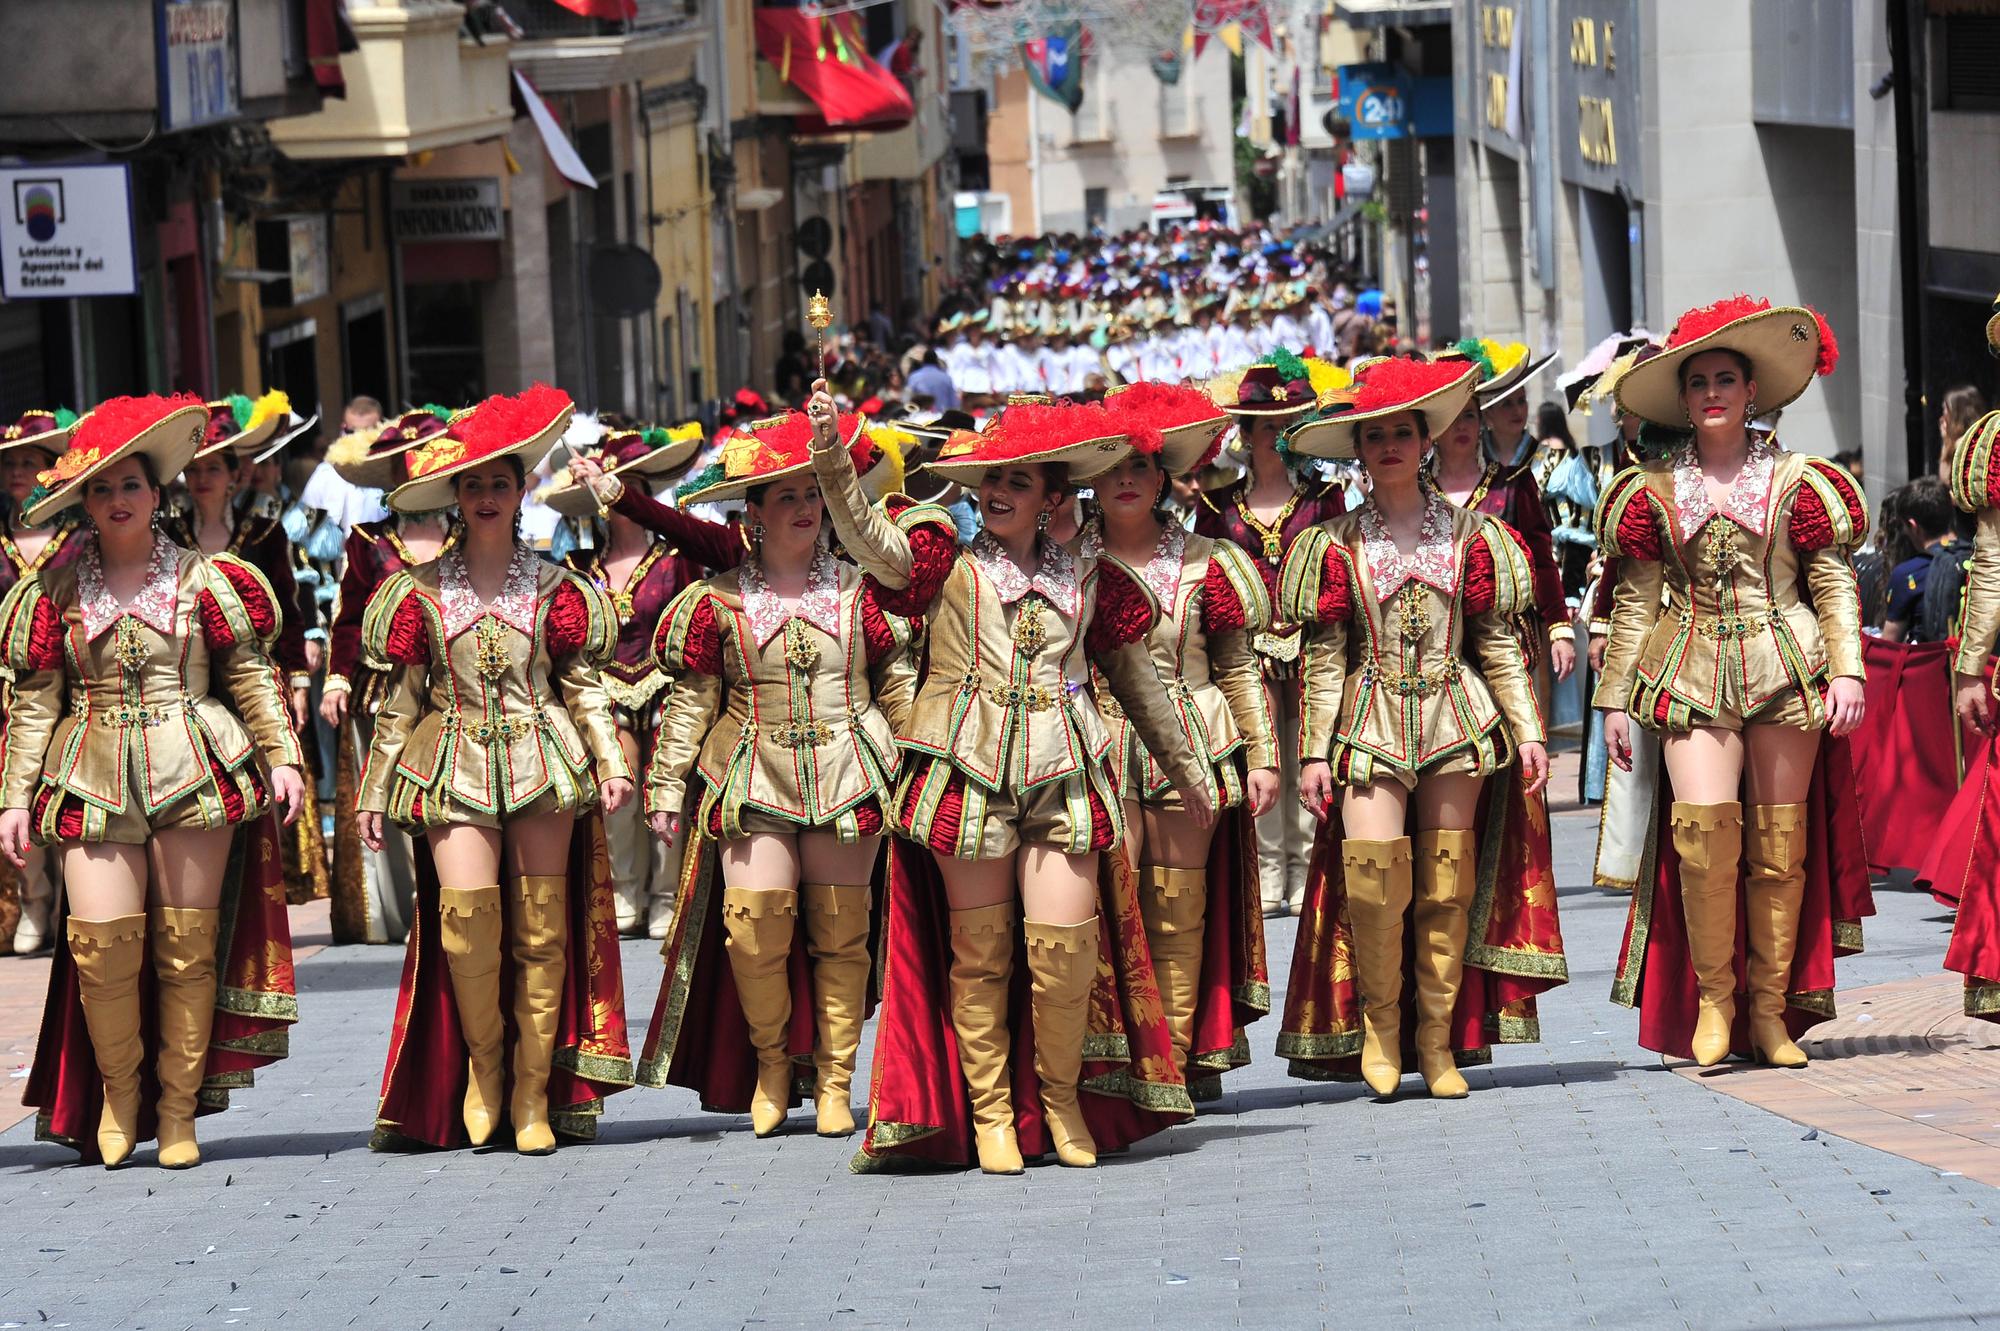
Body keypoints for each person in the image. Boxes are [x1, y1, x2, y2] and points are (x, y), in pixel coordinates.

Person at [820, 395, 1212, 1174]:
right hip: (967, 773)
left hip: (1064, 770)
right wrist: (832, 454)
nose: (997, 491)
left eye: (1018, 480)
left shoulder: (1093, 578)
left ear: (1055, 497)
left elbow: (1139, 684)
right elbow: (865, 535)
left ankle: (1061, 1101)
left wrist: (1189, 769)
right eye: (989, 479)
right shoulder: (941, 562)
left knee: (1066, 951)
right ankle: (994, 1113)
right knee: (981, 957)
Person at [0, 394, 307, 1167]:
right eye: (100, 489)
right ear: (83, 501)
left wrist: (283, 755)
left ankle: (176, 1110)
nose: (115, 500)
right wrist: (12, 795)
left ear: (155, 492)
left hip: (193, 762)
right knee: (101, 950)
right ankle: (118, 1093)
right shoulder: (57, 593)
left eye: (128, 485)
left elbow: (248, 671)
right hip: (90, 770)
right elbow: (35, 701)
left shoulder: (207, 578)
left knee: (185, 950)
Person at [631, 407, 927, 1139]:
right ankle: (770, 1063)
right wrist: (666, 785)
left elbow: (898, 679)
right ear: (753, 514)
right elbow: (693, 698)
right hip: (750, 768)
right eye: (785, 495)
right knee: (753, 927)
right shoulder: (719, 599)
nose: (804, 507)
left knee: (841, 934)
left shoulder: (865, 591)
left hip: (850, 768)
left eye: (812, 492)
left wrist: (913, 754)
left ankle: (834, 1079)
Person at [1273, 359, 1564, 1097]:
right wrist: (1312, 750)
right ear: (1360, 450)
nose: (1389, 445)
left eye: (1403, 432)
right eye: (1375, 436)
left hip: (1456, 717)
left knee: (1445, 888)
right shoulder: (1334, 541)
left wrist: (1529, 729)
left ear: (1427, 439)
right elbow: (1326, 656)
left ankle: (1435, 1042)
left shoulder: (1476, 534)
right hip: (1368, 717)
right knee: (1373, 881)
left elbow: (1497, 640)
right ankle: (1380, 1028)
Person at [357, 384, 636, 1154]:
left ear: (520, 493)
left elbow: (581, 684)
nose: (486, 496)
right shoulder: (418, 593)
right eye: (473, 483)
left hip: (544, 755)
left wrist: (611, 761)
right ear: (455, 496)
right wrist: (374, 793)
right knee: (467, 928)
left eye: (500, 482)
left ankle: (531, 1089)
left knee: (543, 935)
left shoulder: (555, 587)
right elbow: (401, 700)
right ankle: (485, 1068)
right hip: (449, 761)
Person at [1596, 296, 1871, 1068]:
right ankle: (1715, 1003)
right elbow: (1635, 602)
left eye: (1726, 378)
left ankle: (1770, 1012)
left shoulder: (1799, 480)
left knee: (1780, 850)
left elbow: (1834, 582)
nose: (1712, 392)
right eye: (1699, 382)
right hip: (1686, 671)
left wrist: (1848, 668)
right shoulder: (1651, 489)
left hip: (1787, 669)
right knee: (1705, 841)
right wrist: (1613, 699)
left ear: (1753, 392)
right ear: (1682, 400)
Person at [1094, 381, 1277, 1091]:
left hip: (1194, 743)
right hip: (1096, 746)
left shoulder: (1210, 557)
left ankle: (1168, 1067)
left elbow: (1236, 665)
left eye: (1140, 467)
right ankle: (1109, 1067)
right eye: (1112, 468)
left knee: (1177, 910)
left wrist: (1261, 756)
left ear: (1165, 476)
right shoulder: (1068, 561)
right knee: (1108, 903)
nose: (1127, 481)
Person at [1194, 351, 1348, 918]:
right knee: (1263, 756)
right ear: (1247, 434)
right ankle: (1266, 873)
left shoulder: (1325, 500)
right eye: (1267, 429)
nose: (1278, 439)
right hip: (1246, 648)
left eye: (1287, 428)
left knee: (1310, 747)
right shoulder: (1217, 506)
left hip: (1312, 643)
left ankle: (1308, 871)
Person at [543, 421, 706, 939]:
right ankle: (622, 894)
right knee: (619, 784)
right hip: (604, 685)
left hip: (668, 685)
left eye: (633, 490)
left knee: (665, 783)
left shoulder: (679, 560)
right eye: (613, 491)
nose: (622, 500)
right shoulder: (578, 564)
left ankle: (665, 897)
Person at [169, 395, 324, 906]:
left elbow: (289, 609)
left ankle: (259, 897)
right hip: (191, 681)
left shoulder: (263, 531)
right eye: (193, 470)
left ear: (235, 475)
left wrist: (297, 679)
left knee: (258, 779)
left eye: (213, 468)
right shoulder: (169, 534)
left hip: (253, 674)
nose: (202, 479)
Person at [317, 407, 458, 945]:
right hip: (380, 690)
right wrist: (337, 678)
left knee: (444, 798)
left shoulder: (468, 535)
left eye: (425, 463)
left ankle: (450, 900)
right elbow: (348, 614)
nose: (414, 473)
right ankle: (406, 913)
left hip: (451, 689)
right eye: (405, 465)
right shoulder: (366, 538)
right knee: (392, 802)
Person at [1429, 345, 1577, 686]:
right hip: (1435, 651)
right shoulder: (1415, 493)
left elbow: (1541, 560)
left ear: (1481, 420)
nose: (1461, 426)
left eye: (1469, 415)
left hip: (1508, 645)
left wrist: (1559, 628)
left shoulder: (1513, 484)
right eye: (1451, 418)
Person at [0, 407, 84, 954]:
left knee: (62, 786)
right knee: (10, 790)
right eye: (9, 463)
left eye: (29, 461)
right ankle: (34, 898)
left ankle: (72, 904)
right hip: (6, 688)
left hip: (70, 684)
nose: (16, 472)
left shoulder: (80, 535)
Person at [1880, 477, 1962, 643]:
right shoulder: (1980, 559)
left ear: (1913, 525)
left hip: (1935, 665)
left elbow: (1889, 643)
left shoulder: (1907, 574)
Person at [906, 347, 960, 411]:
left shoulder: (914, 377)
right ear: (936, 361)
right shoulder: (946, 378)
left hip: (920, 417)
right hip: (941, 417)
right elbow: (954, 403)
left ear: (924, 361)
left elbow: (907, 399)